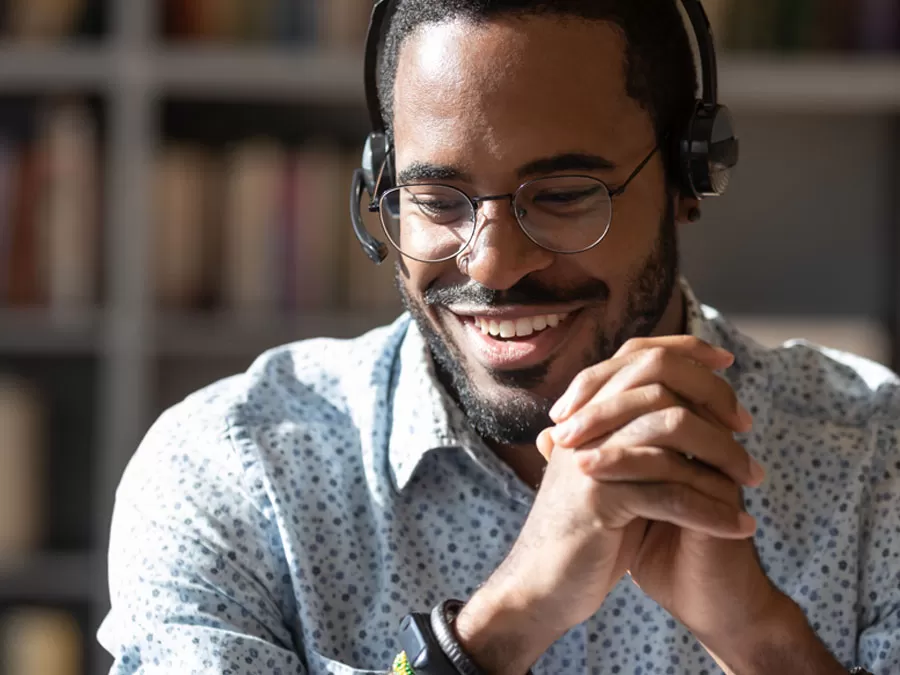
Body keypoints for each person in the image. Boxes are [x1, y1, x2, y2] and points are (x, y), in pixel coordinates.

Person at [98, 1, 896, 674]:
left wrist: (764, 641)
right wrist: (502, 623)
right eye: (438, 200)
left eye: (562, 194)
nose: (494, 262)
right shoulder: (235, 475)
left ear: (689, 181)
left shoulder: (876, 464)